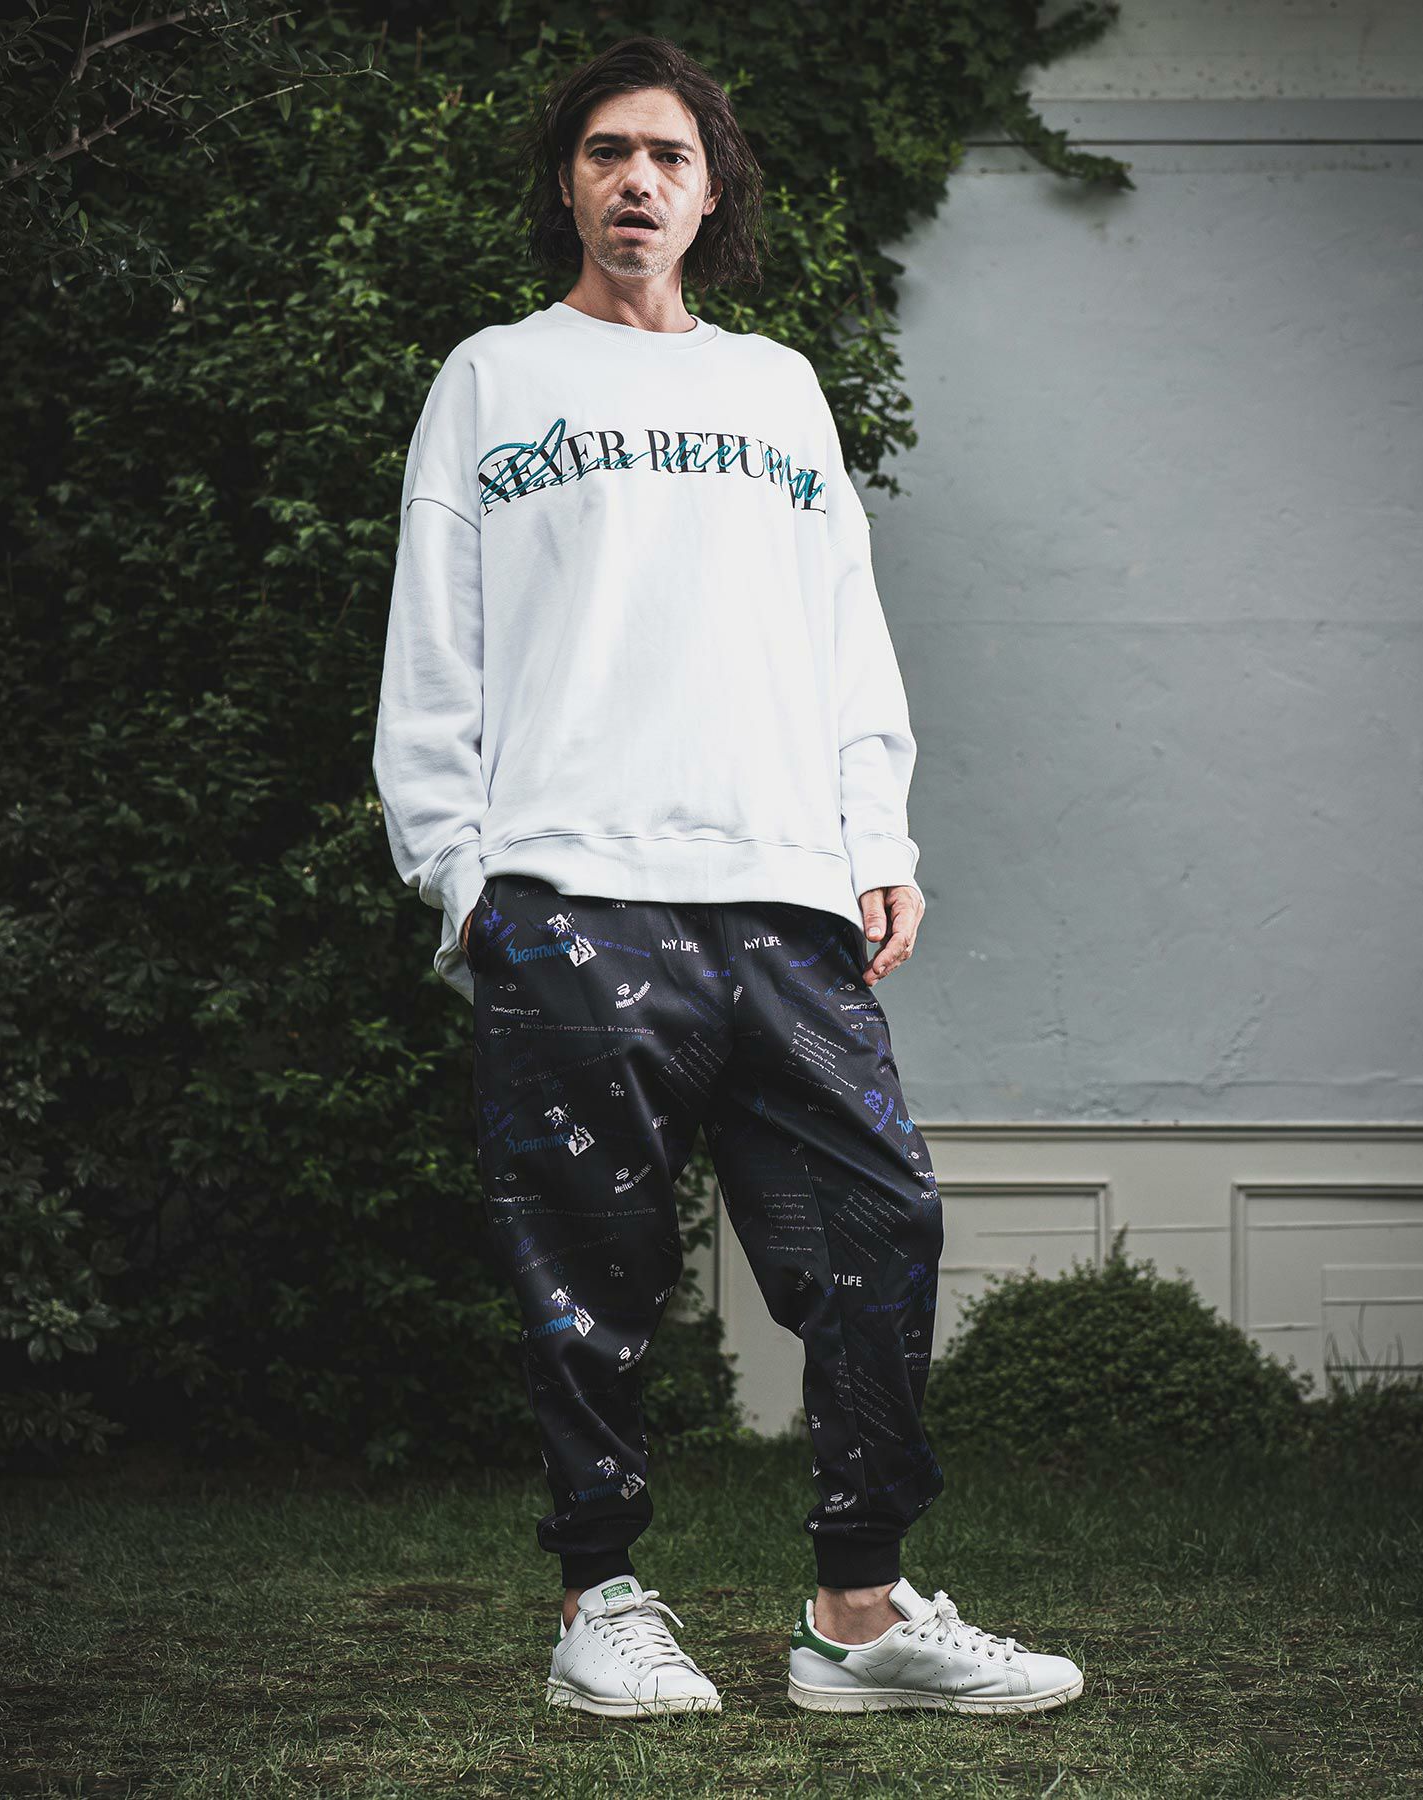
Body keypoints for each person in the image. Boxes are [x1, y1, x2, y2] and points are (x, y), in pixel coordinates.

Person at [372, 34, 1083, 1720]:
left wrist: (875, 837)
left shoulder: (775, 390)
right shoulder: (495, 378)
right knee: (591, 1268)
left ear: (712, 193)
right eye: (607, 151)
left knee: (879, 1224)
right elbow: (433, 648)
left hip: (781, 894)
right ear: (568, 183)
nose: (638, 179)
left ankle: (857, 1614)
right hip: (571, 892)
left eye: (669, 156)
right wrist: (465, 882)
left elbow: (845, 631)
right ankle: (599, 1604)